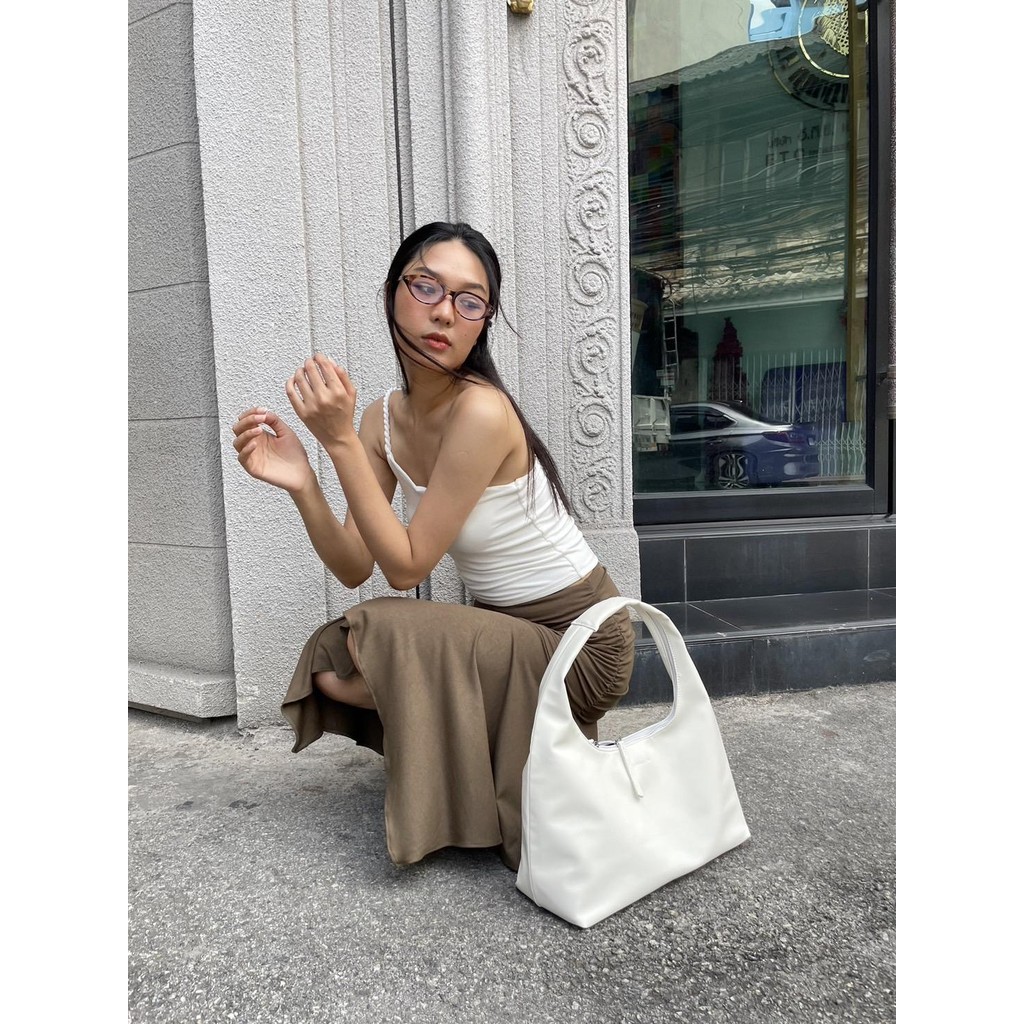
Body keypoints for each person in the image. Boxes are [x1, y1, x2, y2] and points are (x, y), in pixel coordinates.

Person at [231, 221, 635, 870]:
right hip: (507, 634)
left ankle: (492, 765)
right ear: (393, 292)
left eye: (469, 301)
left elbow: (407, 566)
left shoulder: (482, 411)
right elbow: (355, 562)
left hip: (583, 644)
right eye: (426, 287)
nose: (445, 312)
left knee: (379, 630)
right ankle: (478, 768)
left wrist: (337, 442)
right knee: (336, 665)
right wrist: (304, 483)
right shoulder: (380, 420)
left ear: (483, 324)